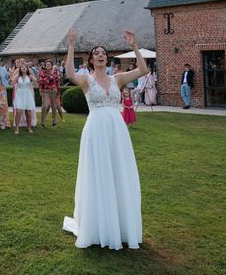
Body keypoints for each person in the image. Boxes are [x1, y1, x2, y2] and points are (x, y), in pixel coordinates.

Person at [62, 27, 147, 250]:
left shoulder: (117, 78)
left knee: (119, 171)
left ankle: (120, 224)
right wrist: (71, 45)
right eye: (97, 53)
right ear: (91, 60)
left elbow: (143, 69)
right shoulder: (86, 81)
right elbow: (69, 73)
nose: (101, 55)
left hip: (117, 131)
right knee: (99, 173)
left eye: (104, 53)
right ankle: (98, 226)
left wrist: (135, 46)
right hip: (96, 129)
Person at [11, 62, 37, 134]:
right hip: (20, 94)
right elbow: (12, 83)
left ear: (27, 69)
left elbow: (36, 81)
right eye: (22, 67)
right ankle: (17, 128)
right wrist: (11, 78)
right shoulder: (17, 76)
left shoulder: (30, 76)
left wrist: (34, 78)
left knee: (28, 112)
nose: (24, 68)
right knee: (18, 111)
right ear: (20, 69)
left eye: (25, 67)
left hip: (28, 94)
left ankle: (29, 127)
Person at [39, 60, 61, 127]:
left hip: (53, 91)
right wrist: (40, 90)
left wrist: (59, 92)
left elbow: (57, 82)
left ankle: (54, 122)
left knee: (54, 107)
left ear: (51, 65)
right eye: (47, 64)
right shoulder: (42, 72)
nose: (48, 65)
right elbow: (40, 82)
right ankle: (42, 122)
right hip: (45, 91)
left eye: (49, 64)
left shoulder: (55, 72)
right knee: (45, 106)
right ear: (45, 66)